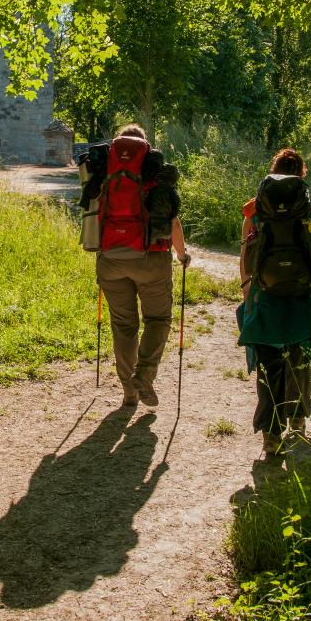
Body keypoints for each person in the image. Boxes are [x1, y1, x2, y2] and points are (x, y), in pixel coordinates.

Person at [238, 147, 311, 460]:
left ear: (272, 173)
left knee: (268, 364)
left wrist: (249, 296)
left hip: (265, 297)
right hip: (303, 297)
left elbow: (246, 258)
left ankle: (271, 437)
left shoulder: (254, 210)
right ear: (301, 175)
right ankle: (297, 422)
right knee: (299, 359)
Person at [93, 124, 191, 408]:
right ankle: (144, 376)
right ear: (145, 148)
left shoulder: (105, 172)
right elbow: (172, 222)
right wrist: (182, 255)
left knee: (123, 326)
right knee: (157, 320)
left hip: (111, 259)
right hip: (151, 259)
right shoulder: (155, 176)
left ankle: (128, 393)